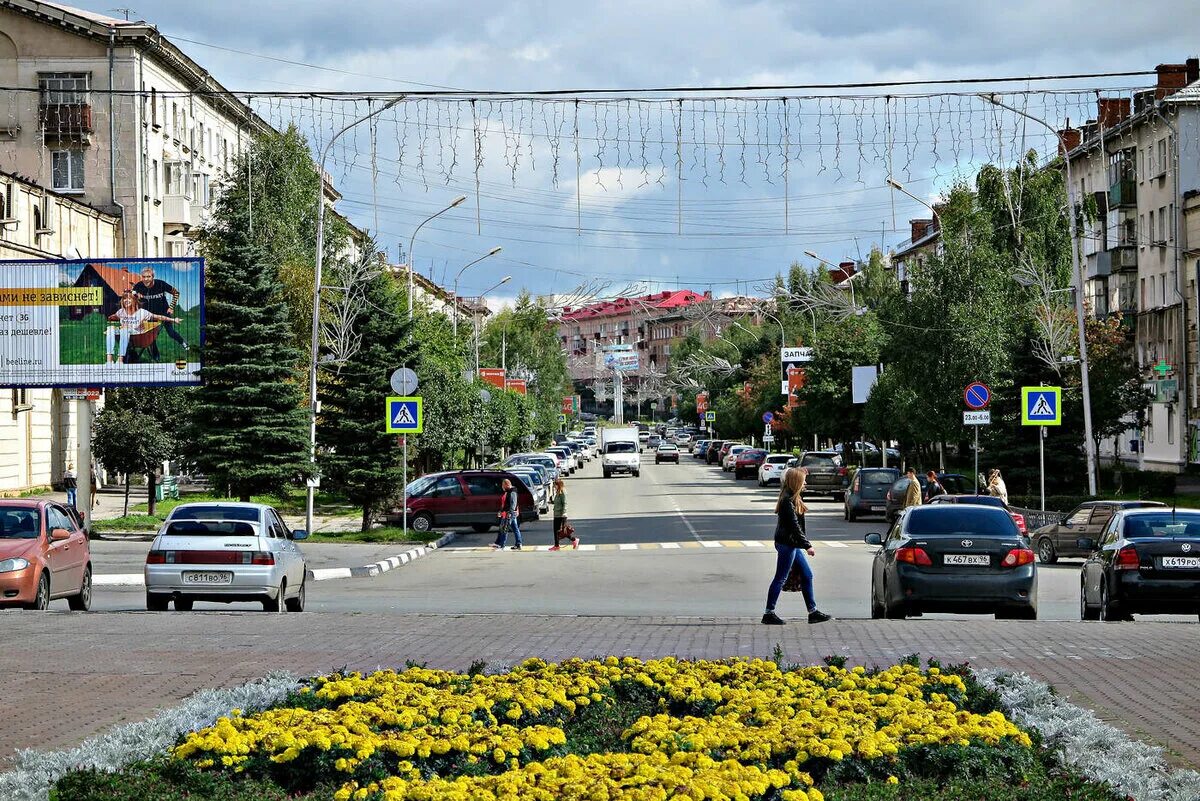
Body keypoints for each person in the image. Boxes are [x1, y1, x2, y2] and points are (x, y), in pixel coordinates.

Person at [763, 467, 831, 625]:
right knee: (780, 578)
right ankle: (768, 613)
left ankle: (813, 612)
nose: (805, 483)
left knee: (807, 575)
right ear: (796, 482)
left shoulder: (793, 497)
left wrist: (802, 471)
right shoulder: (787, 500)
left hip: (791, 544)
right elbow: (794, 526)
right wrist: (807, 546)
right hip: (787, 544)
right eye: (803, 480)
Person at [105, 291, 180, 364]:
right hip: (125, 334)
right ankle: (109, 360)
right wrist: (112, 317)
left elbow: (157, 316)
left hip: (137, 335)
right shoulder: (121, 312)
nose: (126, 300)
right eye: (124, 298)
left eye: (129, 298)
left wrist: (173, 319)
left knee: (125, 329)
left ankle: (120, 360)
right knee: (110, 329)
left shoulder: (142, 312)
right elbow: (114, 316)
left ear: (134, 300)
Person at [133, 265, 187, 359]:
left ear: (153, 276)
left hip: (164, 312)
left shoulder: (161, 284)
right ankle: (155, 354)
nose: (146, 279)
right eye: (144, 277)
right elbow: (132, 293)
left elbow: (176, 293)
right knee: (150, 334)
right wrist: (136, 295)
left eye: (148, 276)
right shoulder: (139, 285)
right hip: (149, 314)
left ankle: (183, 342)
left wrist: (171, 307)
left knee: (170, 332)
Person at [492, 479, 523, 551]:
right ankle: (518, 544)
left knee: (505, 528)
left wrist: (510, 512)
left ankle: (502, 545)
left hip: (510, 513)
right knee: (515, 528)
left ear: (506, 485)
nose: (502, 488)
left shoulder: (512, 492)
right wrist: (502, 510)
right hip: (511, 513)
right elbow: (507, 503)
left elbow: (513, 503)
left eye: (503, 486)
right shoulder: (510, 491)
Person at [549, 478, 578, 550]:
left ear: (559, 485)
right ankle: (557, 545)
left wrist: (563, 513)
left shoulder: (562, 492)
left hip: (561, 515)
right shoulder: (558, 492)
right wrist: (551, 502)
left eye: (555, 485)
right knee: (558, 531)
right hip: (556, 514)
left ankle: (573, 540)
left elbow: (564, 503)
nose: (554, 487)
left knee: (561, 531)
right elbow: (557, 502)